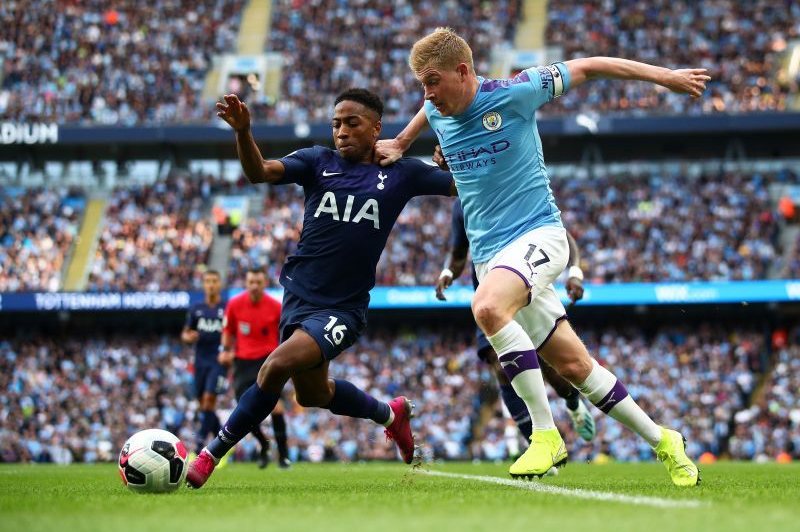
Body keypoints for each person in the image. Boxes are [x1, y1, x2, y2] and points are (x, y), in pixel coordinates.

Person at [376, 27, 710, 486]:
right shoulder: (437, 107)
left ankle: (546, 434)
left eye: (432, 80)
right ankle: (665, 440)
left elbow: (591, 65)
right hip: (490, 255)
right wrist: (398, 142)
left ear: (464, 71)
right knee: (575, 367)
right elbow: (426, 111)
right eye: (421, 85)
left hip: (539, 234)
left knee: (488, 308)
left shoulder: (516, 93)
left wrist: (665, 78)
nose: (427, 93)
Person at [186, 88, 457, 488]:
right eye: (336, 124)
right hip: (298, 298)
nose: (341, 132)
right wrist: (244, 132)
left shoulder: (402, 173)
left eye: (352, 123)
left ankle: (210, 454)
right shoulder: (317, 161)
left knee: (275, 366)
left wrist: (454, 157)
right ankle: (390, 414)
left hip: (343, 307)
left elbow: (462, 185)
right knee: (312, 395)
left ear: (376, 128)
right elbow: (259, 171)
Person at [437, 194, 595, 446]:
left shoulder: (513, 189)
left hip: (525, 292)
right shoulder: (462, 205)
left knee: (552, 371)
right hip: (490, 298)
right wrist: (447, 272)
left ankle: (573, 403)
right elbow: (457, 254)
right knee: (501, 367)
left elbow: (561, 236)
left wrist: (574, 272)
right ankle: (537, 441)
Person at [219, 267, 289, 469]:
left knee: (277, 408)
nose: (255, 286)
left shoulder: (276, 306)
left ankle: (283, 456)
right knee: (246, 409)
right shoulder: (235, 304)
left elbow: (285, 333)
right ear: (246, 283)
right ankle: (264, 444)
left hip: (268, 361)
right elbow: (228, 330)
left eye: (258, 282)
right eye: (251, 282)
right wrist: (225, 350)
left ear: (265, 283)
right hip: (242, 362)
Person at [181, 270, 227, 457]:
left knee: (209, 400)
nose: (210, 285)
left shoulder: (227, 308)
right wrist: (188, 336)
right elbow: (185, 333)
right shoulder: (196, 308)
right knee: (204, 405)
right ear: (203, 284)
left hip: (219, 361)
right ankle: (223, 442)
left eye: (214, 281)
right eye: (207, 281)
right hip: (200, 362)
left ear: (219, 284)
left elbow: (232, 332)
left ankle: (199, 447)